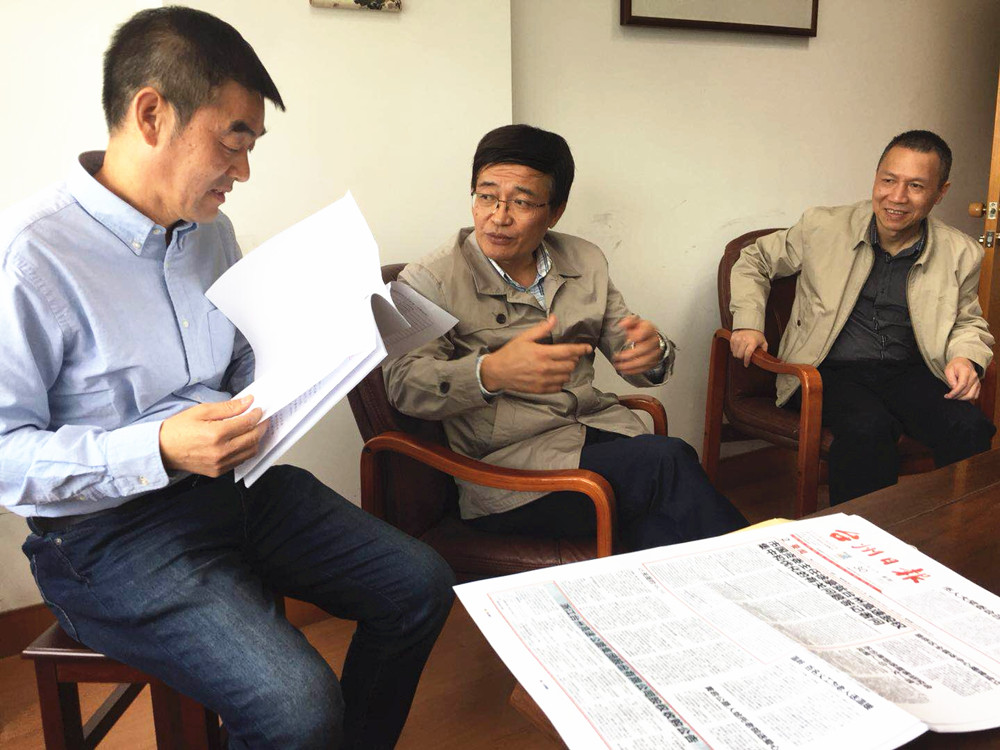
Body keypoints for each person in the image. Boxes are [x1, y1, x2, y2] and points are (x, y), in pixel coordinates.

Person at [0, 8, 454, 749]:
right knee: (297, 708)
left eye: (252, 147)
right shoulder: (27, 256)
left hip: (231, 487)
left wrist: (324, 348)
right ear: (152, 113)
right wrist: (159, 448)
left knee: (420, 585)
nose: (243, 172)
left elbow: (239, 365)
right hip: (103, 537)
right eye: (233, 141)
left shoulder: (210, 231)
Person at [384, 124, 747, 550]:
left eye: (521, 202)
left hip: (596, 433)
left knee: (659, 530)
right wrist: (490, 372)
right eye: (486, 196)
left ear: (554, 212)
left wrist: (652, 353)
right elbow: (403, 385)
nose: (498, 216)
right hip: (510, 472)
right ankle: (776, 563)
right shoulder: (429, 280)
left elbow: (629, 346)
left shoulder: (584, 260)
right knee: (666, 462)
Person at [729, 130, 996, 505]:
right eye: (888, 180)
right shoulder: (822, 226)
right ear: (876, 177)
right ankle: (860, 535)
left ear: (940, 193)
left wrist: (966, 357)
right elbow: (753, 259)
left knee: (967, 426)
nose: (896, 197)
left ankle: (958, 528)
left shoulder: (961, 252)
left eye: (916, 186)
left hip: (907, 370)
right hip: (826, 370)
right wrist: (748, 322)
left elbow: (967, 321)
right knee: (869, 428)